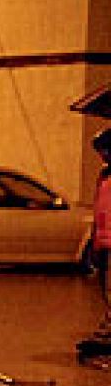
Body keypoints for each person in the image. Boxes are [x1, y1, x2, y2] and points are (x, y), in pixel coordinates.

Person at [83, 127, 111, 348]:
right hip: (103, 240)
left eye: (105, 150)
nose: (102, 156)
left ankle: (108, 332)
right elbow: (99, 208)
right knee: (105, 287)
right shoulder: (104, 175)